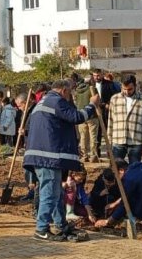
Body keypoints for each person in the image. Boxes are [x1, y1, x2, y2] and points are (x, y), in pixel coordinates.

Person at [24, 79, 98, 242]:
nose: (70, 95)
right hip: (48, 157)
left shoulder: (43, 101)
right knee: (49, 193)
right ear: (63, 90)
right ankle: (41, 228)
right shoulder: (56, 101)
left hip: (42, 156)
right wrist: (92, 105)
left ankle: (60, 224)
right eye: (70, 92)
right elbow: (76, 117)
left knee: (57, 192)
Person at [94, 160, 142, 228]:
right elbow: (128, 195)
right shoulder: (139, 165)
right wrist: (115, 203)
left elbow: (125, 204)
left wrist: (107, 221)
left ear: (121, 170)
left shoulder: (128, 180)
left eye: (114, 173)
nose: (115, 177)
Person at [108, 74, 142, 165]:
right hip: (118, 139)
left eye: (130, 89)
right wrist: (109, 142)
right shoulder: (114, 99)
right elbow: (110, 121)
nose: (126, 92)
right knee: (115, 169)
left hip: (136, 141)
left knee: (135, 170)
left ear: (135, 86)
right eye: (124, 89)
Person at [92, 69, 119, 158]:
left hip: (107, 111)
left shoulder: (109, 84)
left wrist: (108, 103)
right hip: (95, 112)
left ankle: (110, 151)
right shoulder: (91, 85)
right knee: (97, 133)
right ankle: (97, 152)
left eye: (98, 75)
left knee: (108, 132)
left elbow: (115, 96)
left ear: (102, 75)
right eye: (95, 76)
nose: (96, 77)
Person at [73, 75, 97, 161]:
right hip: (92, 116)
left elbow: (75, 101)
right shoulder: (92, 89)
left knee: (83, 137)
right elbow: (97, 100)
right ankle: (93, 155)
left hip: (81, 116)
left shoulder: (77, 91)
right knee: (93, 136)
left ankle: (84, 155)